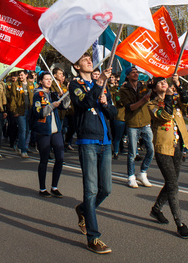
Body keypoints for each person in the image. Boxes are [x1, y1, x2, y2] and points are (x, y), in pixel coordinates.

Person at [69, 53, 116, 255]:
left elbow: (114, 114)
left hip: (105, 142)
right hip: (88, 141)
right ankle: (93, 237)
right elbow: (86, 103)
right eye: (85, 60)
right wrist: (100, 82)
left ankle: (83, 210)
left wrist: (106, 104)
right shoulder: (75, 85)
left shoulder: (101, 86)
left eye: (90, 59)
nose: (90, 61)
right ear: (77, 66)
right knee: (91, 190)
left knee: (106, 189)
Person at [147, 75, 188, 238]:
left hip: (178, 145)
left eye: (165, 81)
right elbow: (165, 116)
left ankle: (156, 209)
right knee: (173, 185)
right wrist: (169, 97)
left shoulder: (174, 98)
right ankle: (179, 223)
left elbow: (186, 102)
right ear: (154, 88)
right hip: (163, 148)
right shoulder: (151, 104)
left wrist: (178, 86)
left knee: (172, 182)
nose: (164, 83)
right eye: (160, 82)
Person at [29, 71, 68, 198]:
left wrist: (66, 96)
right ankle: (42, 188)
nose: (49, 81)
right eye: (46, 79)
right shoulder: (37, 94)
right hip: (43, 130)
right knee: (44, 159)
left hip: (56, 130)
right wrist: (52, 106)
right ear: (41, 81)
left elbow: (64, 106)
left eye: (50, 79)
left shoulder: (53, 93)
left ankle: (54, 186)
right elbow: (38, 112)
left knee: (60, 158)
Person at [118, 67, 153, 188]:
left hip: (145, 122)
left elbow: (153, 86)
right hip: (133, 124)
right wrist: (143, 100)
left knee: (151, 150)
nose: (136, 74)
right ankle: (131, 176)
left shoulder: (143, 85)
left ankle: (143, 172)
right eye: (133, 72)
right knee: (132, 152)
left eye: (137, 72)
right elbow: (130, 107)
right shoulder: (123, 90)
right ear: (127, 76)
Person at [9, 70, 34, 158]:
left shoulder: (31, 85)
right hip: (20, 111)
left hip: (29, 110)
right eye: (19, 75)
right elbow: (13, 99)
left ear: (26, 75)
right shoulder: (15, 85)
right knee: (22, 130)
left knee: (27, 131)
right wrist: (14, 111)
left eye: (22, 75)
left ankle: (20, 146)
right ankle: (23, 150)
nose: (20, 77)